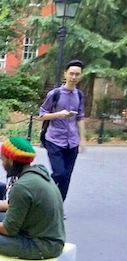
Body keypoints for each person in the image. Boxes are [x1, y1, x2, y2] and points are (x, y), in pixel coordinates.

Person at [39, 59, 86, 201]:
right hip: (54, 139)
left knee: (67, 176)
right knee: (59, 173)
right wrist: (59, 114)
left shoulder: (79, 95)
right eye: (71, 73)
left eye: (77, 74)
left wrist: (82, 138)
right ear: (65, 74)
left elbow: (80, 117)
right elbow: (42, 115)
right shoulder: (55, 94)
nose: (74, 77)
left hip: (72, 141)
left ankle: (58, 205)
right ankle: (44, 195)